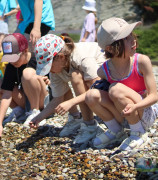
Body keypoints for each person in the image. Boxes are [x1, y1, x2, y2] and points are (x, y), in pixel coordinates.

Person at [85, 17, 158, 151]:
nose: (133, 40)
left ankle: (138, 133)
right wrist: (73, 102)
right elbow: (99, 97)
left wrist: (135, 106)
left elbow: (154, 96)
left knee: (115, 89)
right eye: (126, 38)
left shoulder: (141, 61)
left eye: (132, 35)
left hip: (144, 113)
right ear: (111, 49)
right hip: (124, 115)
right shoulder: (103, 71)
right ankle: (116, 130)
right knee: (90, 95)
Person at [29, 34, 106, 145]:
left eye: (48, 65)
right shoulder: (56, 69)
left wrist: (72, 102)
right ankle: (83, 122)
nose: (48, 70)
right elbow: (58, 98)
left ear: (60, 57)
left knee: (76, 76)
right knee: (74, 77)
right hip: (95, 85)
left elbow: (98, 88)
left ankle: (92, 125)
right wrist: (39, 118)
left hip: (105, 78)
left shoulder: (83, 58)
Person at [0, 33, 48, 141]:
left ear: (25, 51)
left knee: (27, 73)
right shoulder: (12, 65)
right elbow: (7, 94)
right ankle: (19, 111)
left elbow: (52, 84)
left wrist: (42, 79)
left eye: (15, 58)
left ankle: (35, 112)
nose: (12, 61)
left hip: (43, 100)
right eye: (9, 58)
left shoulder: (37, 59)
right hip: (26, 99)